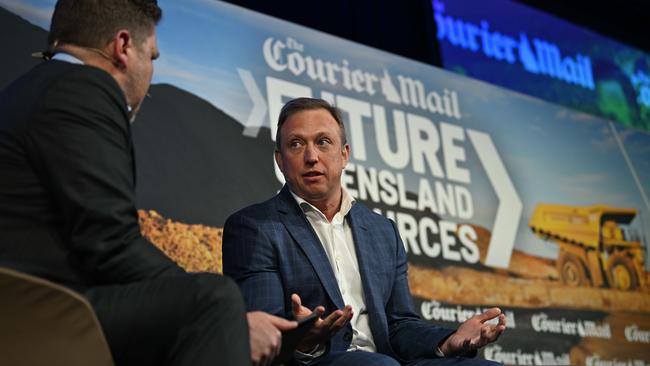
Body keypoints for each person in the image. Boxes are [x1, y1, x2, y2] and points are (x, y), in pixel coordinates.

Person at [0, 1, 294, 365]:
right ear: (123, 47)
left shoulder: (30, 89)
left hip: (27, 299)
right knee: (213, 298)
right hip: (40, 309)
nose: (151, 71)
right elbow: (110, 243)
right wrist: (230, 320)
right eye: (152, 57)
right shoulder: (85, 89)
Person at [223, 97, 506, 365]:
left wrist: (449, 340)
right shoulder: (254, 227)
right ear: (280, 160)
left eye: (323, 142)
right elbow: (262, 338)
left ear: (344, 154)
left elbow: (399, 326)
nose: (311, 156)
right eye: (296, 144)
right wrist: (304, 340)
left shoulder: (383, 231)